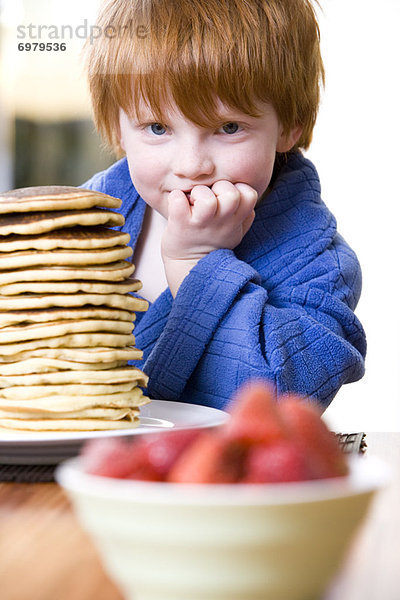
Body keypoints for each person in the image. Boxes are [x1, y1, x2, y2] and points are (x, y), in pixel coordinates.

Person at [82, 0, 366, 410]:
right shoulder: (76, 226)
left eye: (229, 127)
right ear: (116, 127)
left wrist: (197, 263)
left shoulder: (317, 264)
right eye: (158, 128)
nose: (192, 165)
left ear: (289, 126)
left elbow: (278, 402)